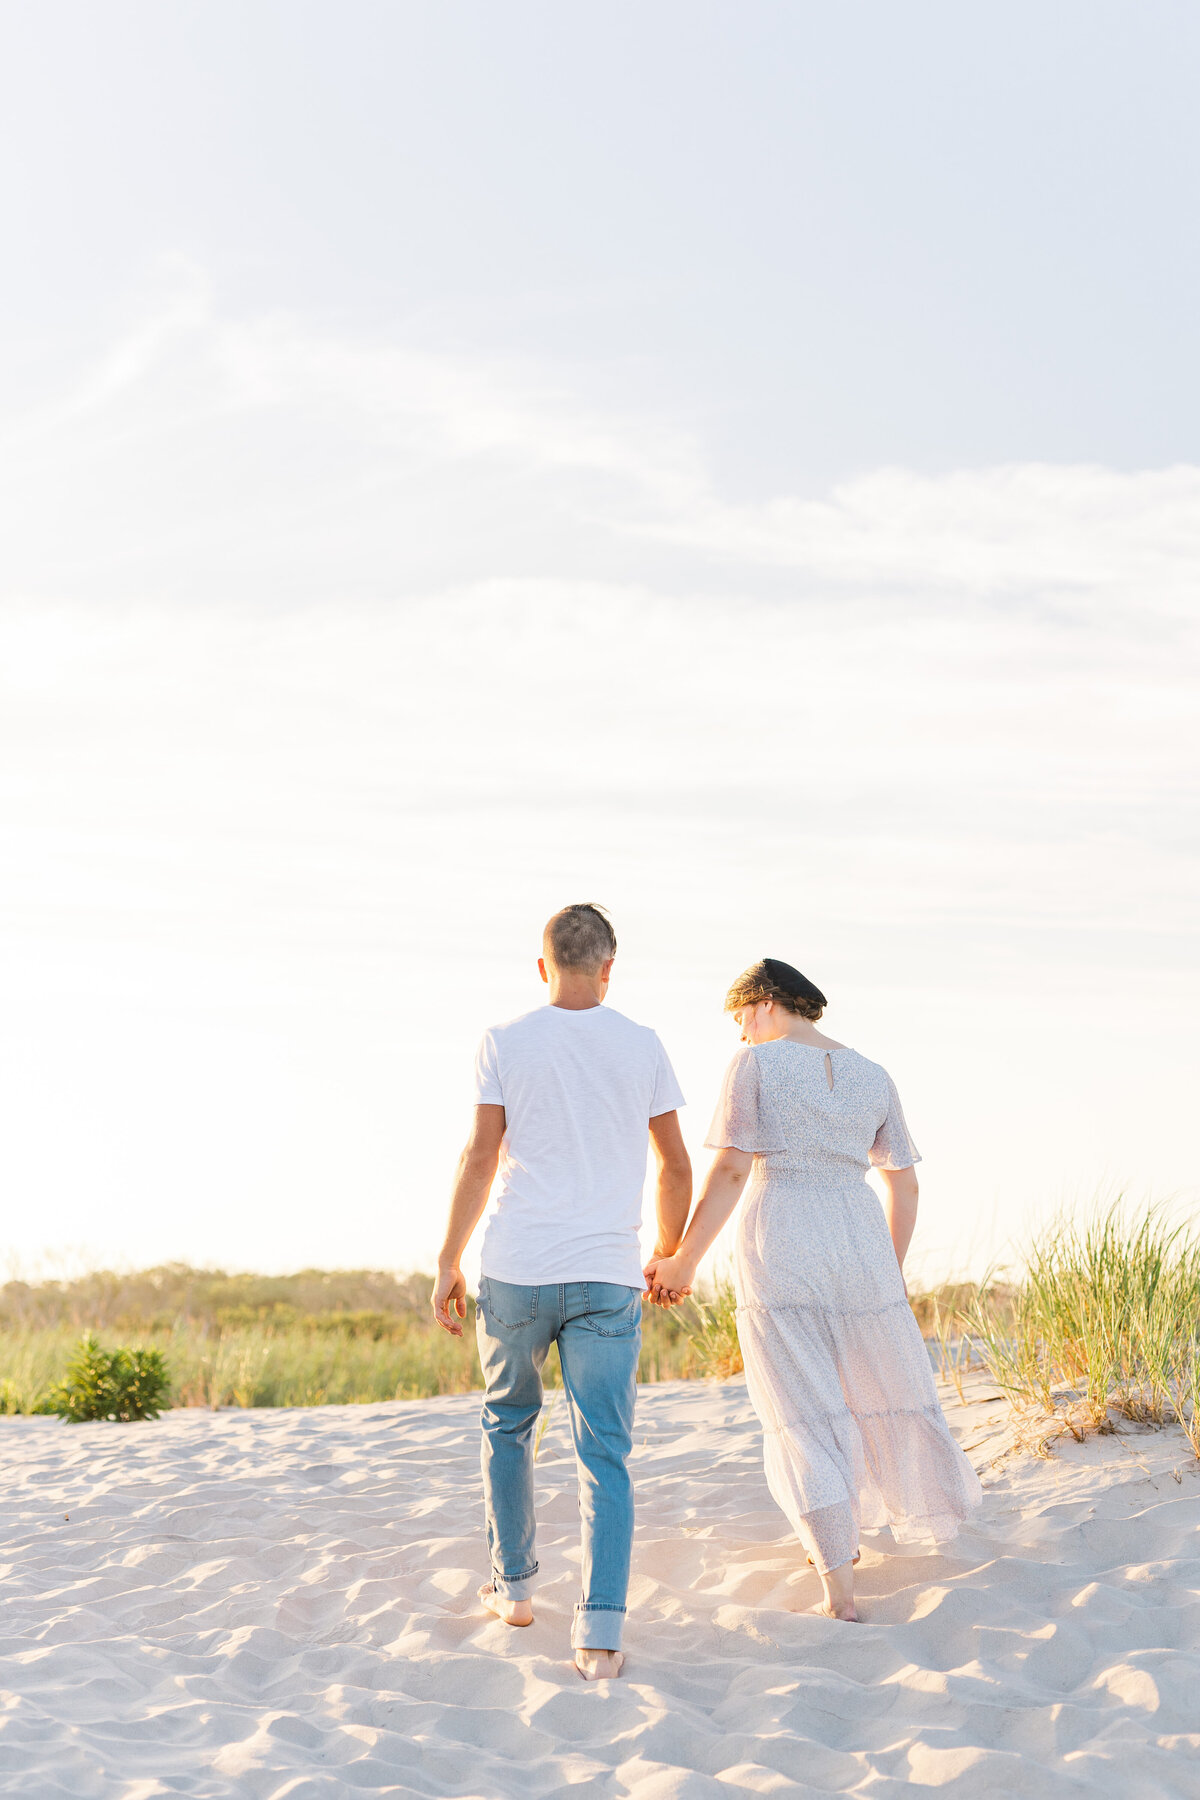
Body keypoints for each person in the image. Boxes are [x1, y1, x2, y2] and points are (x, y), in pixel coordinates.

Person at [646, 958, 981, 1622]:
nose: (741, 1033)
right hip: (860, 1238)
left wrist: (683, 1259)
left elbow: (733, 1169)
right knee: (861, 1396)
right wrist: (886, 1273)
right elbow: (906, 1185)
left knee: (801, 1408)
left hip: (783, 1235)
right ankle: (843, 1540)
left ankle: (839, 1587)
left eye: (741, 1018)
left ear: (765, 1003)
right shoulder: (874, 1074)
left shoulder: (754, 1065)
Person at [432, 903, 691, 1679]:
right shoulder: (642, 1044)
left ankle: (513, 1589)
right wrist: (668, 1252)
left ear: (543, 966)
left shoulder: (504, 1040)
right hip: (608, 1273)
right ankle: (600, 1635)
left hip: (516, 1269)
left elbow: (481, 1156)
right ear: (609, 969)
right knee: (603, 1450)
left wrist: (448, 1258)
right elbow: (676, 1165)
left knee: (508, 1422)